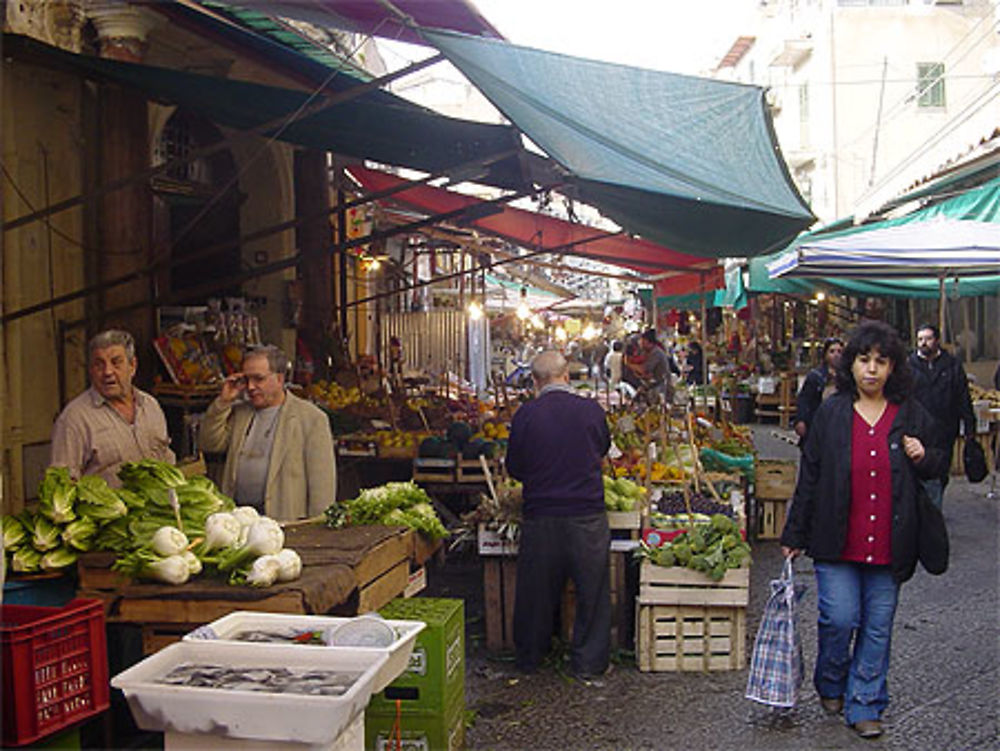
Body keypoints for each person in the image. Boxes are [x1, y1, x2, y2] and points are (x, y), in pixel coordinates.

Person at [781, 321, 946, 740]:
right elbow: (811, 475)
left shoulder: (909, 412)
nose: (871, 369)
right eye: (863, 360)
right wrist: (794, 534)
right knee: (838, 618)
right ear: (851, 365)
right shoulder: (833, 413)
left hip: (891, 543)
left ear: (893, 367)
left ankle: (866, 703)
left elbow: (940, 459)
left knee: (877, 627)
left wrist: (924, 454)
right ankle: (832, 680)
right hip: (837, 541)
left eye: (881, 361)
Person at [505, 350, 612, 680]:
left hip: (542, 516)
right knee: (591, 593)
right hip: (587, 517)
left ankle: (531, 659)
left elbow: (515, 467)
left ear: (535, 382)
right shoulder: (591, 411)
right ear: (567, 376)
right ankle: (589, 664)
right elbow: (604, 448)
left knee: (536, 592)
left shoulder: (525, 415)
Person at [200, 344, 336, 521]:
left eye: (258, 379)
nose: (250, 386)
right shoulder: (240, 413)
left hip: (286, 522)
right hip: (238, 520)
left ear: (279, 379)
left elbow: (322, 485)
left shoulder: (311, 419)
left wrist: (318, 528)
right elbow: (209, 443)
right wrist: (223, 402)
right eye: (246, 379)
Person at [50, 329, 175, 487]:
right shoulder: (74, 419)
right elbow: (61, 483)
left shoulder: (150, 406)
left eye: (116, 362)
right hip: (110, 511)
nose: (107, 372)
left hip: (158, 509)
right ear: (91, 371)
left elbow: (167, 459)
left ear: (132, 366)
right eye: (99, 364)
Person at [906, 324, 976, 509]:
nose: (923, 343)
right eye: (920, 339)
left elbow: (963, 397)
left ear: (936, 341)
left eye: (927, 339)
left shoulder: (951, 365)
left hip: (944, 430)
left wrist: (970, 428)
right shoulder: (908, 366)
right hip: (916, 430)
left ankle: (932, 510)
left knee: (940, 474)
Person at [794, 337, 845, 445]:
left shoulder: (847, 377)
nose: (836, 355)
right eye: (832, 351)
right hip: (817, 421)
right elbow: (804, 399)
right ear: (825, 354)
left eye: (839, 352)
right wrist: (801, 420)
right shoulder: (815, 376)